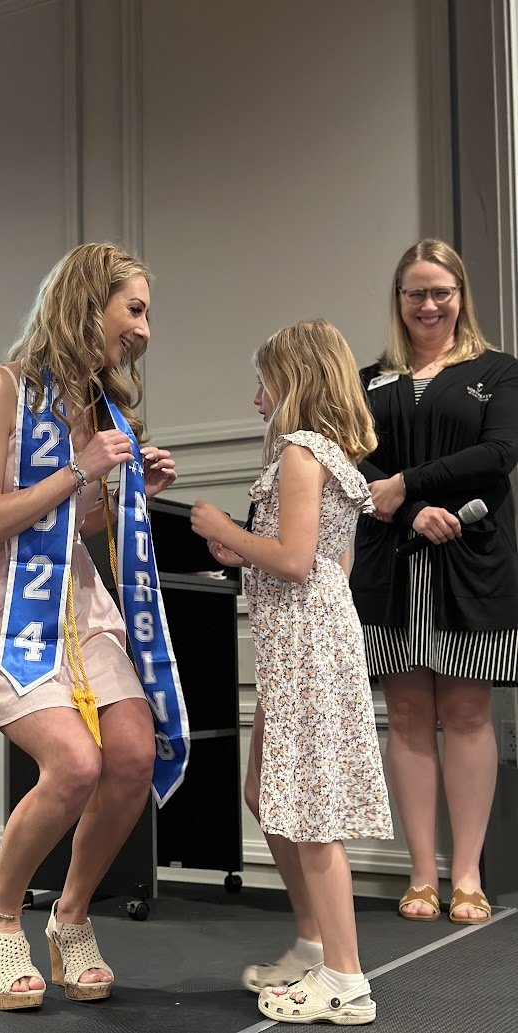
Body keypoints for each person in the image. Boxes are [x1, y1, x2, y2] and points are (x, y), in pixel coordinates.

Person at [0, 243, 180, 1010]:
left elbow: (76, 524)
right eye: (133, 309)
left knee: (132, 752)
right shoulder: (1, 387)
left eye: (145, 315)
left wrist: (125, 491)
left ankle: (70, 916)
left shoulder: (98, 409)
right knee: (73, 763)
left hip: (72, 597)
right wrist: (81, 470)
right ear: (84, 303)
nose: (144, 330)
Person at [190, 319, 393, 1026]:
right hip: (303, 645)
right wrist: (253, 553)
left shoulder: (304, 453)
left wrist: (222, 528)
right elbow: (329, 562)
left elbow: (296, 559)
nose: (255, 397)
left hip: (305, 647)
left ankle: (344, 976)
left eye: (263, 383)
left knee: (308, 809)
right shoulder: (324, 456)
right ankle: (313, 943)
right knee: (266, 791)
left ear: (294, 384)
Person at [350, 238, 518, 925]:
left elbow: (499, 451)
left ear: (459, 297)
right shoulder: (367, 378)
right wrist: (413, 510)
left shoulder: (496, 370)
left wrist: (411, 486)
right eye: (415, 292)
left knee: (467, 713)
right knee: (410, 716)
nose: (428, 304)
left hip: (470, 556)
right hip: (391, 559)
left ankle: (468, 872)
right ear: (398, 301)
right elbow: (350, 460)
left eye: (440, 291)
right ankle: (422, 873)